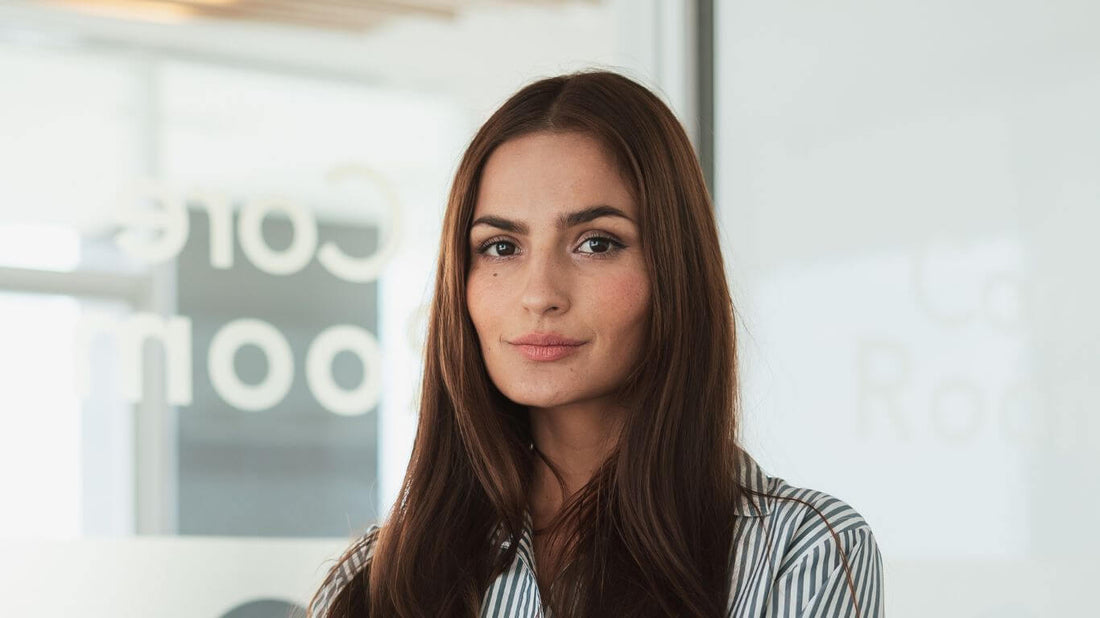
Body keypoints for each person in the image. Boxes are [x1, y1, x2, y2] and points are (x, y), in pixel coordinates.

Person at [308, 69, 885, 618]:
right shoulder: (376, 581)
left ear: (674, 270)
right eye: (501, 247)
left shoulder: (801, 551)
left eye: (596, 243)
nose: (540, 295)